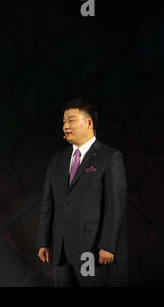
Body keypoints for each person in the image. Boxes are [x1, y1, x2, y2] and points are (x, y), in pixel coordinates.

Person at [37, 99, 128, 286]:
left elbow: (115, 205)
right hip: (60, 249)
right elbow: (48, 203)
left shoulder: (109, 157)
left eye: (71, 120)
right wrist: (43, 241)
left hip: (92, 249)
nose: (65, 126)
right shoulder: (57, 160)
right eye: (64, 122)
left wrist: (108, 245)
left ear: (89, 123)